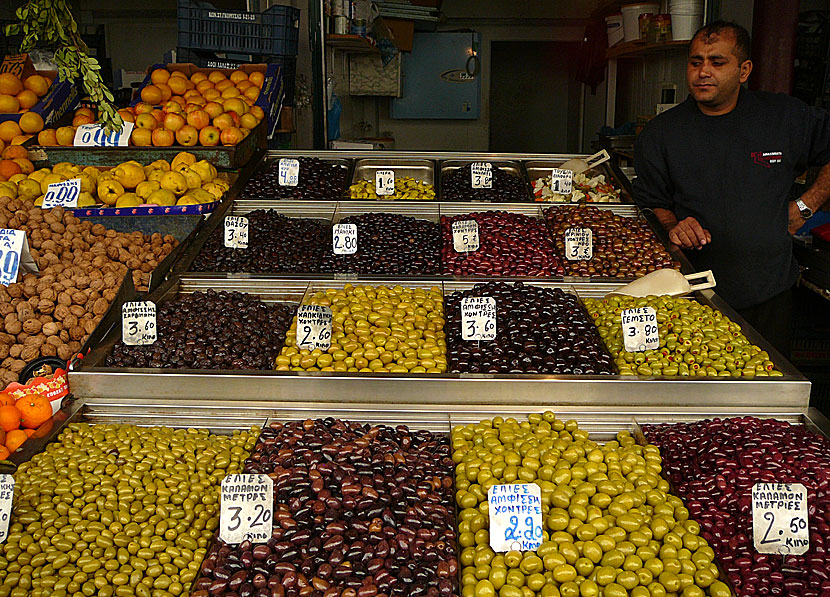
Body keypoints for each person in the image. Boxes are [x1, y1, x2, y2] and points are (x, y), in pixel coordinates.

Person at [633, 20, 830, 358]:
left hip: (768, 293)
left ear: (744, 70)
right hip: (690, 294)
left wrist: (805, 207)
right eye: (696, 62)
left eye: (717, 62)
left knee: (763, 397)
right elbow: (653, 203)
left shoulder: (784, 116)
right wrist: (673, 226)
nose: (703, 72)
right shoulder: (662, 133)